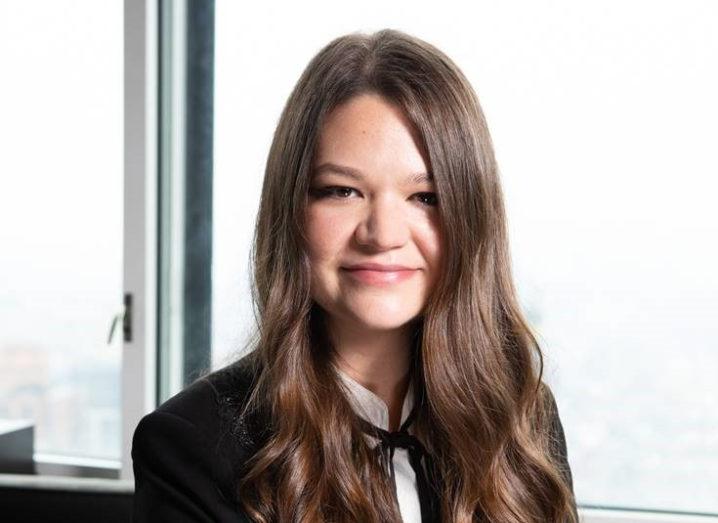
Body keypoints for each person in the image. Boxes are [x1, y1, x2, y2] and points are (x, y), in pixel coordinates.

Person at [131, 28, 579, 523]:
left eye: (425, 197)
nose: (382, 233)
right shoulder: (192, 445)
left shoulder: (518, 415)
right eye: (342, 191)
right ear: (292, 210)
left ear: (471, 220)